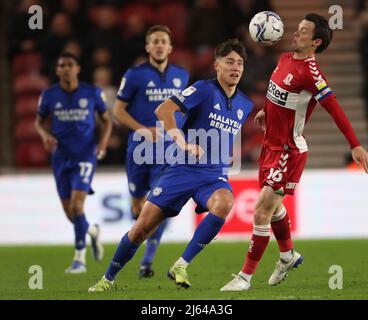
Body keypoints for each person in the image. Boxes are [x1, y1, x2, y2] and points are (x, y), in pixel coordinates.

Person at [220, 13, 368, 291]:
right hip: (270, 145)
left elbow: (334, 109)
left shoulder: (312, 74)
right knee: (274, 208)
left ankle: (245, 277)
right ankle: (288, 255)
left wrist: (355, 144)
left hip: (289, 150)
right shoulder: (285, 59)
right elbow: (279, 93)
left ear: (315, 41)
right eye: (298, 29)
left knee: (261, 211)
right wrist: (267, 110)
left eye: (303, 32)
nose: (295, 33)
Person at [88, 38, 254, 292]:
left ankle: (181, 264)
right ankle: (108, 278)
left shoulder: (245, 103)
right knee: (141, 229)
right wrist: (183, 142)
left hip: (212, 175)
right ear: (217, 65)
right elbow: (164, 110)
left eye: (240, 63)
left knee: (224, 203)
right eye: (229, 61)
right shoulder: (203, 89)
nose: (236, 67)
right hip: (182, 169)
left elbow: (224, 133)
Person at [112, 25, 189, 278]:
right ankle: (139, 242)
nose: (158, 45)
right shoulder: (134, 75)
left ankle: (147, 260)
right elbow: (118, 110)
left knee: (160, 205)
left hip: (168, 151)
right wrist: (140, 128)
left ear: (170, 47)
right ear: (148, 47)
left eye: (163, 41)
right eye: (154, 41)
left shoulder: (182, 76)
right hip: (140, 149)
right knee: (138, 206)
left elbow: (185, 111)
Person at [34, 52, 112, 273]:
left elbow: (107, 122)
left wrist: (103, 143)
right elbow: (38, 122)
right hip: (60, 156)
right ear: (57, 70)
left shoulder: (93, 92)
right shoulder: (49, 95)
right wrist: (44, 135)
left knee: (78, 206)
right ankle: (92, 232)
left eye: (70, 65)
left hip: (85, 154)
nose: (66, 68)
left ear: (77, 69)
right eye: (62, 65)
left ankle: (79, 259)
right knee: (71, 213)